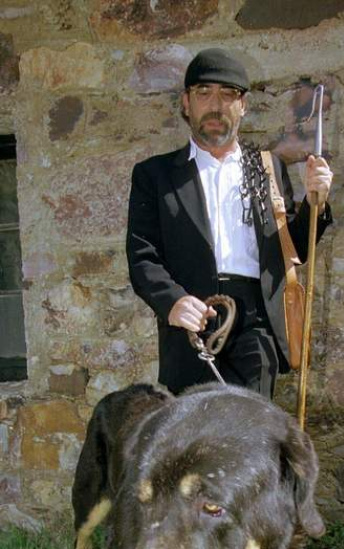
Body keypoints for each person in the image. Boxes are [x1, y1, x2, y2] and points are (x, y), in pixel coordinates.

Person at [127, 48, 333, 397]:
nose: (215, 105)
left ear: (243, 106)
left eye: (227, 95)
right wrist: (173, 302)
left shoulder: (269, 169)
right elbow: (142, 255)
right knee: (196, 441)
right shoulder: (154, 175)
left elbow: (290, 251)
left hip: (256, 324)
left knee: (251, 438)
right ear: (186, 103)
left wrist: (316, 203)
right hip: (192, 322)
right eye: (203, 93)